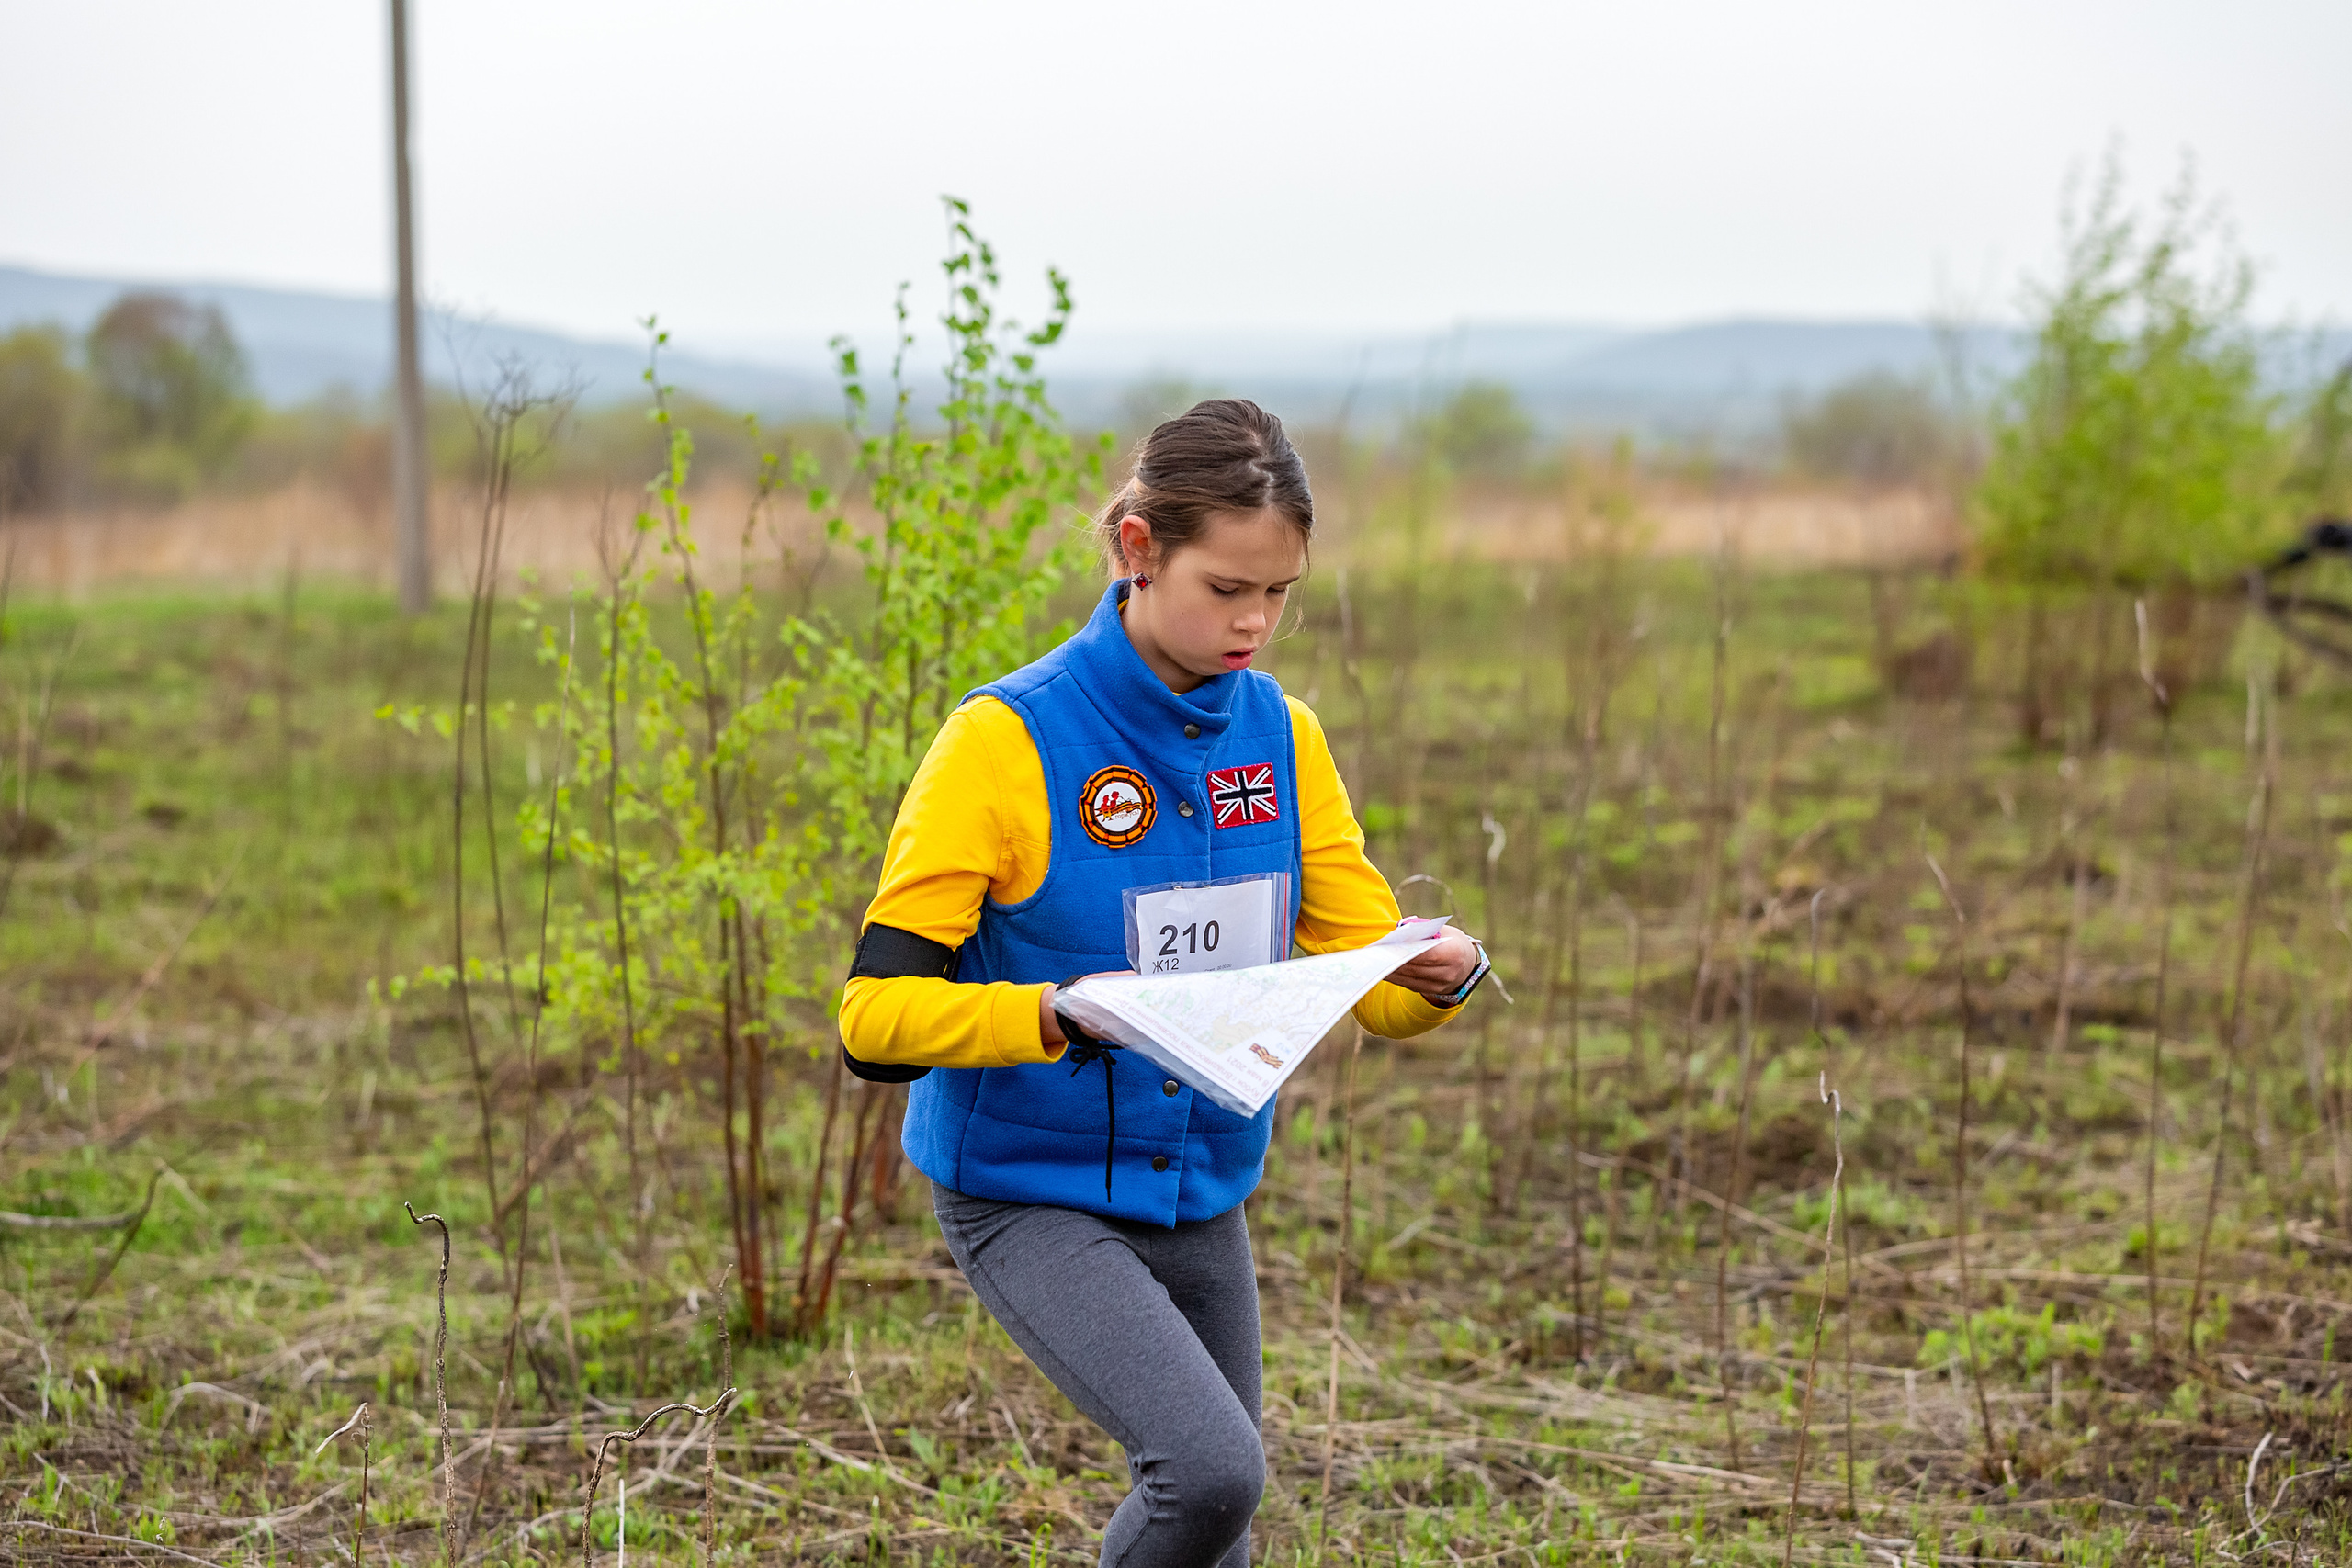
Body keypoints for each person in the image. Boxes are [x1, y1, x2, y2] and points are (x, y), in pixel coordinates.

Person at [837, 398, 1489, 1568]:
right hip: (1027, 1190)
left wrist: (1434, 969)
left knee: (1218, 1527)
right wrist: (1053, 1013)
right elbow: (874, 1025)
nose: (1254, 623)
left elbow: (1377, 995)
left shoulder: (1284, 740)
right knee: (1210, 1470)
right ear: (1138, 551)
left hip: (1200, 1191)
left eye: (1278, 593)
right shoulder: (1003, 741)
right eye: (1225, 589)